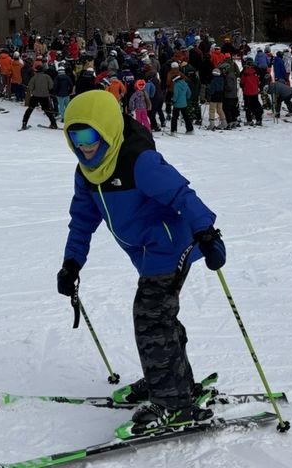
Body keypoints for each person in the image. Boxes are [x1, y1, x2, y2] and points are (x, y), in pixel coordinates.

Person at [56, 91, 226, 434]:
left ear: (106, 130)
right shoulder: (87, 172)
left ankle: (174, 403)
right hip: (144, 252)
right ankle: (170, 379)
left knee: (151, 318)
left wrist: (207, 232)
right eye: (74, 137)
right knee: (161, 316)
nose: (83, 146)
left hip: (169, 243)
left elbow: (182, 194)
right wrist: (72, 263)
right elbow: (82, 219)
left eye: (89, 136)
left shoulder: (139, 161)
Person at [20, 64, 57, 129]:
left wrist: (34, 91)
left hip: (35, 96)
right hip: (45, 96)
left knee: (30, 110)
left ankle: (24, 124)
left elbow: (30, 87)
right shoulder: (47, 77)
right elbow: (51, 86)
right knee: (48, 111)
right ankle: (54, 124)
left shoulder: (34, 77)